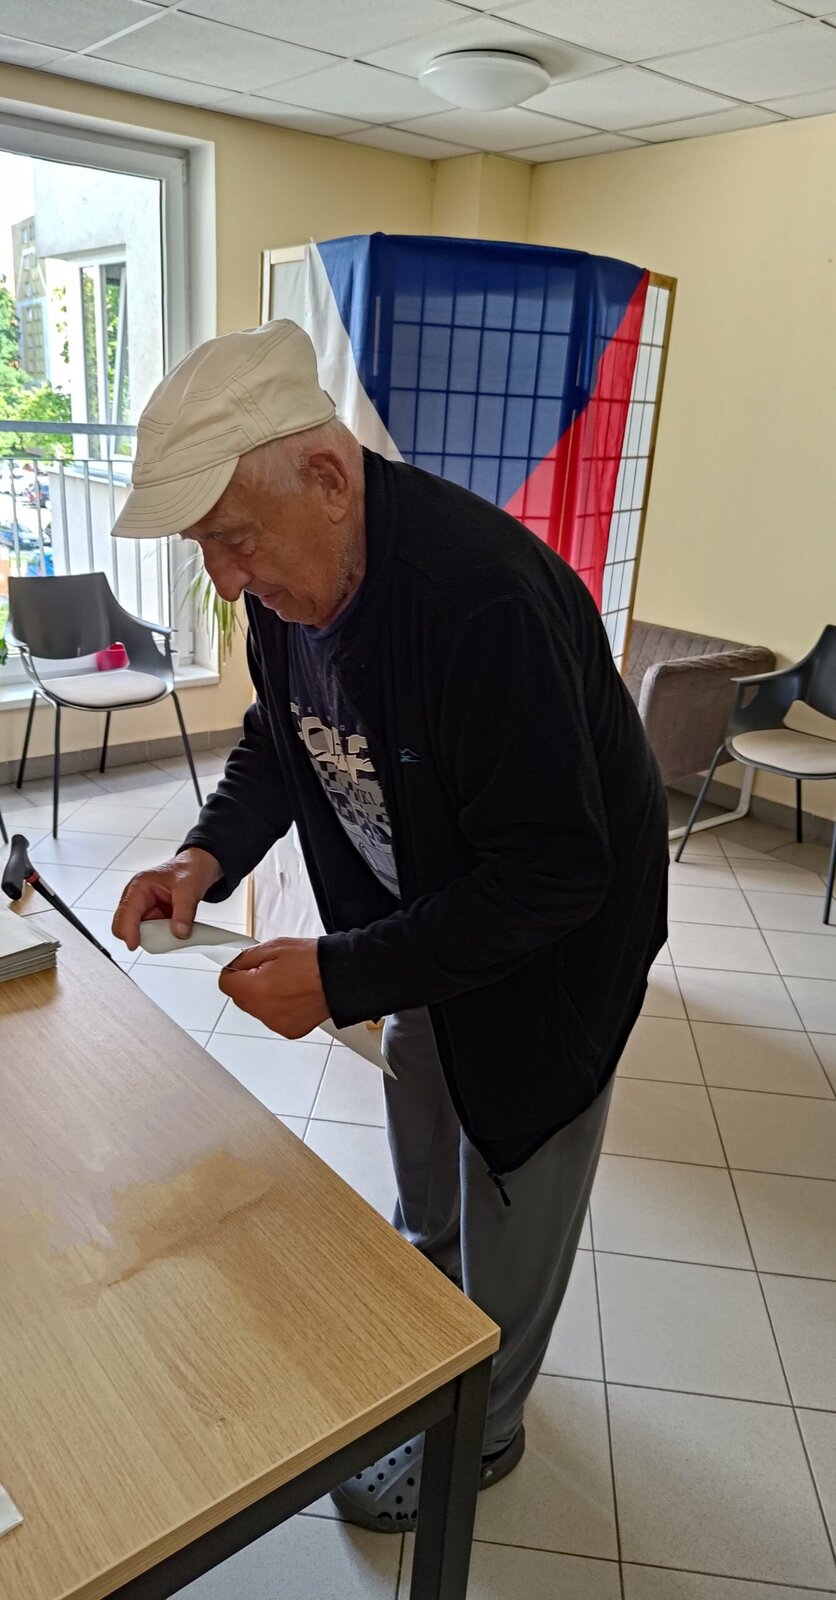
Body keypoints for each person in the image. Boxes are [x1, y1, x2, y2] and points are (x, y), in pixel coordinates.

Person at [112, 319, 668, 1532]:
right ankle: (429, 1338)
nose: (226, 580)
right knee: (424, 1101)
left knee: (511, 1154)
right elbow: (280, 739)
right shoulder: (292, 586)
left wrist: (342, 972)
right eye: (206, 548)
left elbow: (555, 873)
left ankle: (484, 1425)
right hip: (432, 914)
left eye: (232, 538)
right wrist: (203, 856)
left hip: (556, 946)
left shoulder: (478, 602)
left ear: (327, 476)